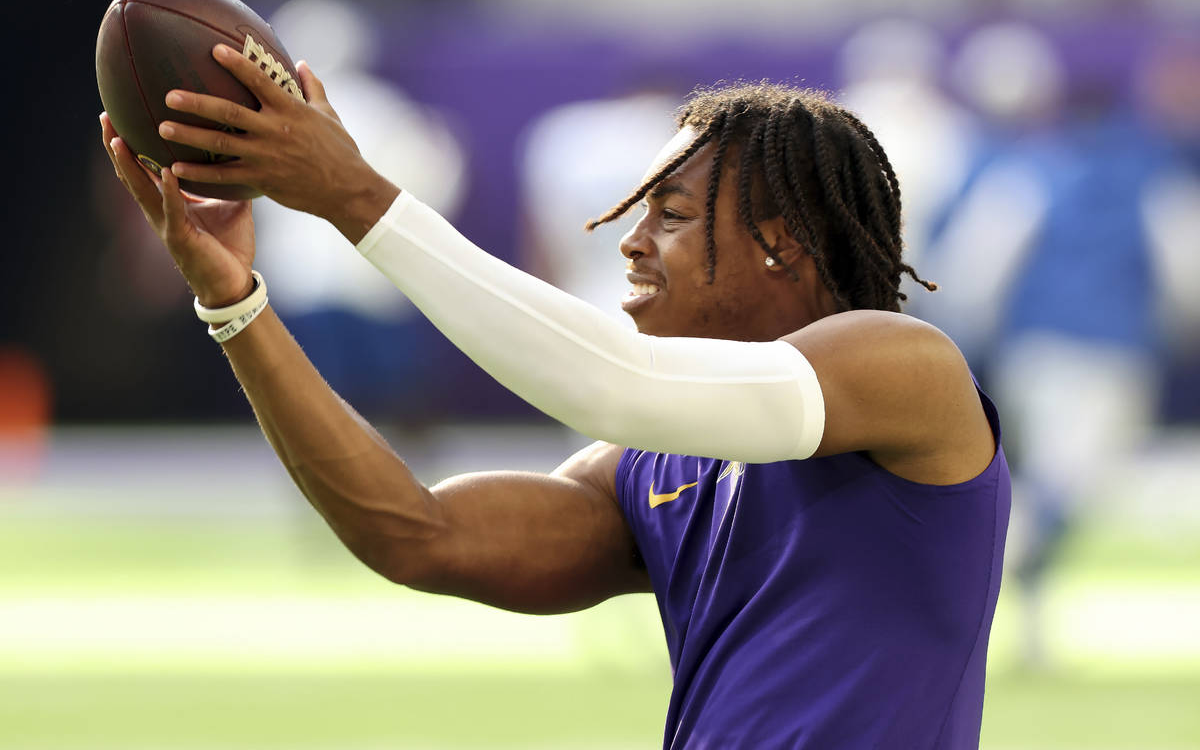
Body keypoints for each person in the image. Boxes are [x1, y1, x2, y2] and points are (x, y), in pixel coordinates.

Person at [100, 43, 1010, 749]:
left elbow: (619, 382)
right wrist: (233, 301)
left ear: (779, 240)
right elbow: (415, 533)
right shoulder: (658, 461)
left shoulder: (907, 367)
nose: (632, 242)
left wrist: (355, 196)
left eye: (674, 215)